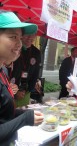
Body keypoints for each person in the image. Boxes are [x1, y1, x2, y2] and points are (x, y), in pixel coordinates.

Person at [0, 10, 43, 145]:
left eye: (20, 37)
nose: (19, 44)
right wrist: (25, 119)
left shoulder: (3, 72)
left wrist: (24, 112)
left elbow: (4, 114)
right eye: (13, 37)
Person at [11, 33, 43, 106]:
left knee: (23, 112)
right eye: (27, 34)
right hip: (10, 89)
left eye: (33, 35)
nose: (30, 37)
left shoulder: (36, 52)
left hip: (26, 91)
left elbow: (36, 72)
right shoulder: (14, 49)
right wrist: (14, 92)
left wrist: (28, 89)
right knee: (9, 114)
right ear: (21, 35)